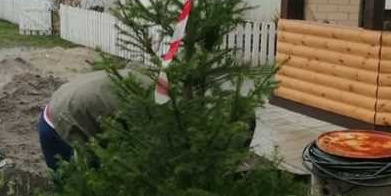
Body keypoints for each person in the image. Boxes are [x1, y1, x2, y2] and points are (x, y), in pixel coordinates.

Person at [38, 69, 256, 172]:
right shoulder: (160, 113)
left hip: (72, 101)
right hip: (60, 123)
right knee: (82, 191)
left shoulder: (164, 90)